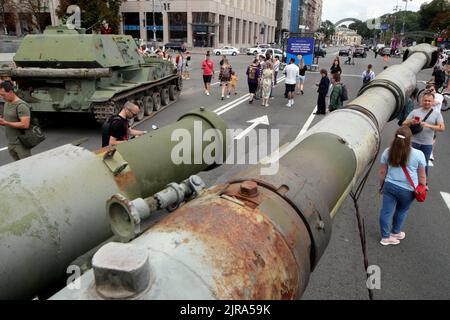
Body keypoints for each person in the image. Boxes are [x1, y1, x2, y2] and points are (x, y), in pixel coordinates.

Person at [378, 126, 427, 246]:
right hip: (408, 189)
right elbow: (422, 176)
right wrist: (423, 186)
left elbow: (382, 172)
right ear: (410, 139)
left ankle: (385, 237)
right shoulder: (418, 154)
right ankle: (395, 232)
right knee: (402, 211)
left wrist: (381, 186)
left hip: (390, 186)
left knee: (386, 212)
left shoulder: (388, 151)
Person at [402, 91, 446, 177]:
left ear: (433, 102)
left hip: (427, 144)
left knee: (424, 164)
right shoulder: (415, 112)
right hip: (413, 142)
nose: (427, 102)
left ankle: (423, 184)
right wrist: (411, 121)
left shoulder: (437, 114)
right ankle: (407, 180)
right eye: (425, 100)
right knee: (409, 162)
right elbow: (404, 124)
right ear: (422, 100)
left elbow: (442, 128)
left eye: (429, 101)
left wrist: (428, 125)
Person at [0, 80, 32, 161]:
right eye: (1, 95)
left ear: (10, 92)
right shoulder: (7, 103)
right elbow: (9, 121)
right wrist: (3, 121)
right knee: (17, 168)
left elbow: (25, 124)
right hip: (11, 143)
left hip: (21, 144)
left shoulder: (21, 105)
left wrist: (6, 122)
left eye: (3, 95)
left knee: (27, 168)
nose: (2, 97)